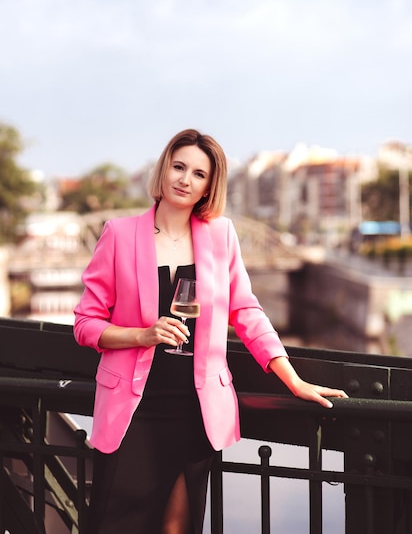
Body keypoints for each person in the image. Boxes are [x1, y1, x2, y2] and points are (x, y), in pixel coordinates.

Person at [73, 128, 348, 534]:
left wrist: (293, 379)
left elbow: (246, 311)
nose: (185, 179)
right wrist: (142, 334)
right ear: (163, 169)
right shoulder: (119, 234)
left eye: (198, 174)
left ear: (208, 186)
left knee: (177, 529)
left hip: (194, 410)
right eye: (179, 166)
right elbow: (85, 323)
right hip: (134, 411)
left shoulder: (221, 236)